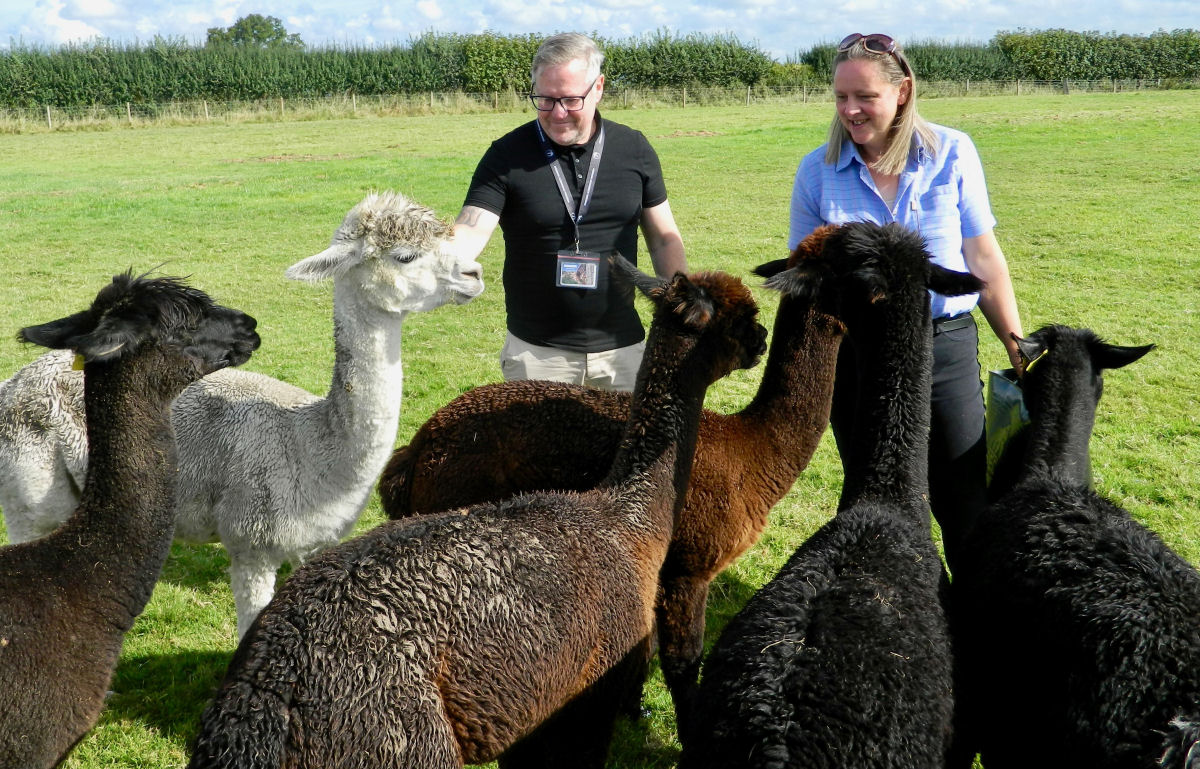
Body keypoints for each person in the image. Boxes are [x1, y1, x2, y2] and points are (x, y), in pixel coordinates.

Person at [789, 33, 1024, 564]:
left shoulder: (952, 153)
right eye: (841, 97)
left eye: (865, 96)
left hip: (944, 349)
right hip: (859, 358)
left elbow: (983, 259)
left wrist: (1017, 346)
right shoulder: (816, 171)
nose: (850, 110)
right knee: (874, 496)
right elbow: (807, 277)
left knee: (963, 499)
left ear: (903, 91)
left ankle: (974, 626)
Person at [449, 32, 687, 391]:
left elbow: (663, 240)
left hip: (623, 355)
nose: (558, 113)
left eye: (571, 100)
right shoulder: (506, 156)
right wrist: (432, 254)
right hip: (537, 358)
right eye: (545, 99)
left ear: (599, 87)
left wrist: (684, 313)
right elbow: (471, 228)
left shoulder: (634, 149)